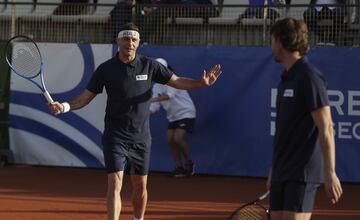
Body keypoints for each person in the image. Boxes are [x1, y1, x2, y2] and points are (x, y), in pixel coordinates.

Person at [48, 22, 221, 220]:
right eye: (126, 38)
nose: (130, 42)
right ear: (118, 41)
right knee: (115, 183)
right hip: (115, 137)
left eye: (134, 39)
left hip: (141, 139)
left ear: (138, 43)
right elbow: (84, 98)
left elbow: (177, 81)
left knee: (140, 186)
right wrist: (64, 106)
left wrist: (200, 83)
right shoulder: (105, 69)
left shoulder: (150, 65)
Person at [267, 17, 342, 220]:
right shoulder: (285, 79)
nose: (270, 44)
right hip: (282, 171)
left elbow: (326, 126)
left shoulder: (309, 77)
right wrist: (275, 169)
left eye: (272, 39)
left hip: (302, 173)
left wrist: (330, 171)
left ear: (280, 40)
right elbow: (284, 130)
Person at [150, 58, 196, 177]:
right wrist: (144, 114)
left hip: (186, 112)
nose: (157, 72)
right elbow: (154, 107)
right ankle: (179, 167)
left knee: (177, 138)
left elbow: (169, 95)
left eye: (160, 69)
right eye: (155, 70)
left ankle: (189, 163)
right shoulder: (156, 87)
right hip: (173, 116)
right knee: (170, 140)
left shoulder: (173, 80)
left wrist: (151, 99)